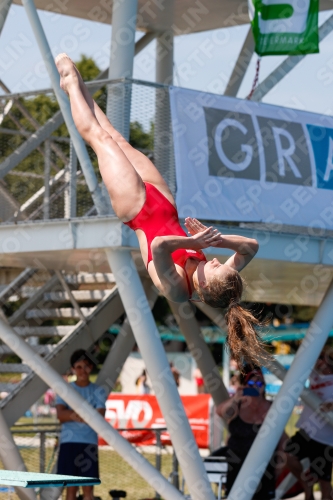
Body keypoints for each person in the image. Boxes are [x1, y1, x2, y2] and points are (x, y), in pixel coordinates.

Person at [55, 53, 262, 365]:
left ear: (204, 285)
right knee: (116, 138)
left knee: (98, 139)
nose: (218, 261)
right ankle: (80, 87)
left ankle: (70, 84)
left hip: (136, 209)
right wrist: (217, 240)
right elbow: (251, 247)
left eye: (217, 266)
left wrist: (194, 243)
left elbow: (159, 246)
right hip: (164, 203)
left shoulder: (179, 289)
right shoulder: (217, 277)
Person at [214, 367, 288, 499]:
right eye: (251, 384)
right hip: (236, 464)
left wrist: (279, 465)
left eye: (259, 383)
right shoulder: (238, 405)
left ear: (264, 387)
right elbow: (220, 412)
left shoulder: (272, 407)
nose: (256, 387)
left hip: (263, 466)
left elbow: (282, 439)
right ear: (245, 386)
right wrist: (236, 398)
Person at [55, 350, 107, 500]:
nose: (82, 370)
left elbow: (99, 416)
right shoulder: (65, 389)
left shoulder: (98, 390)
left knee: (88, 491)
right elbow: (60, 415)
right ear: (73, 369)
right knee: (70, 490)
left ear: (91, 368)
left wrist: (72, 413)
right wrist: (87, 414)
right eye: (78, 367)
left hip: (88, 444)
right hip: (68, 443)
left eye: (86, 366)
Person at [284, 345, 333, 500]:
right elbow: (299, 366)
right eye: (317, 358)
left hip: (326, 439)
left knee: (324, 482)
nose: (317, 362)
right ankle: (306, 486)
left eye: (321, 358)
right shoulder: (313, 375)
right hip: (307, 431)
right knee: (288, 456)